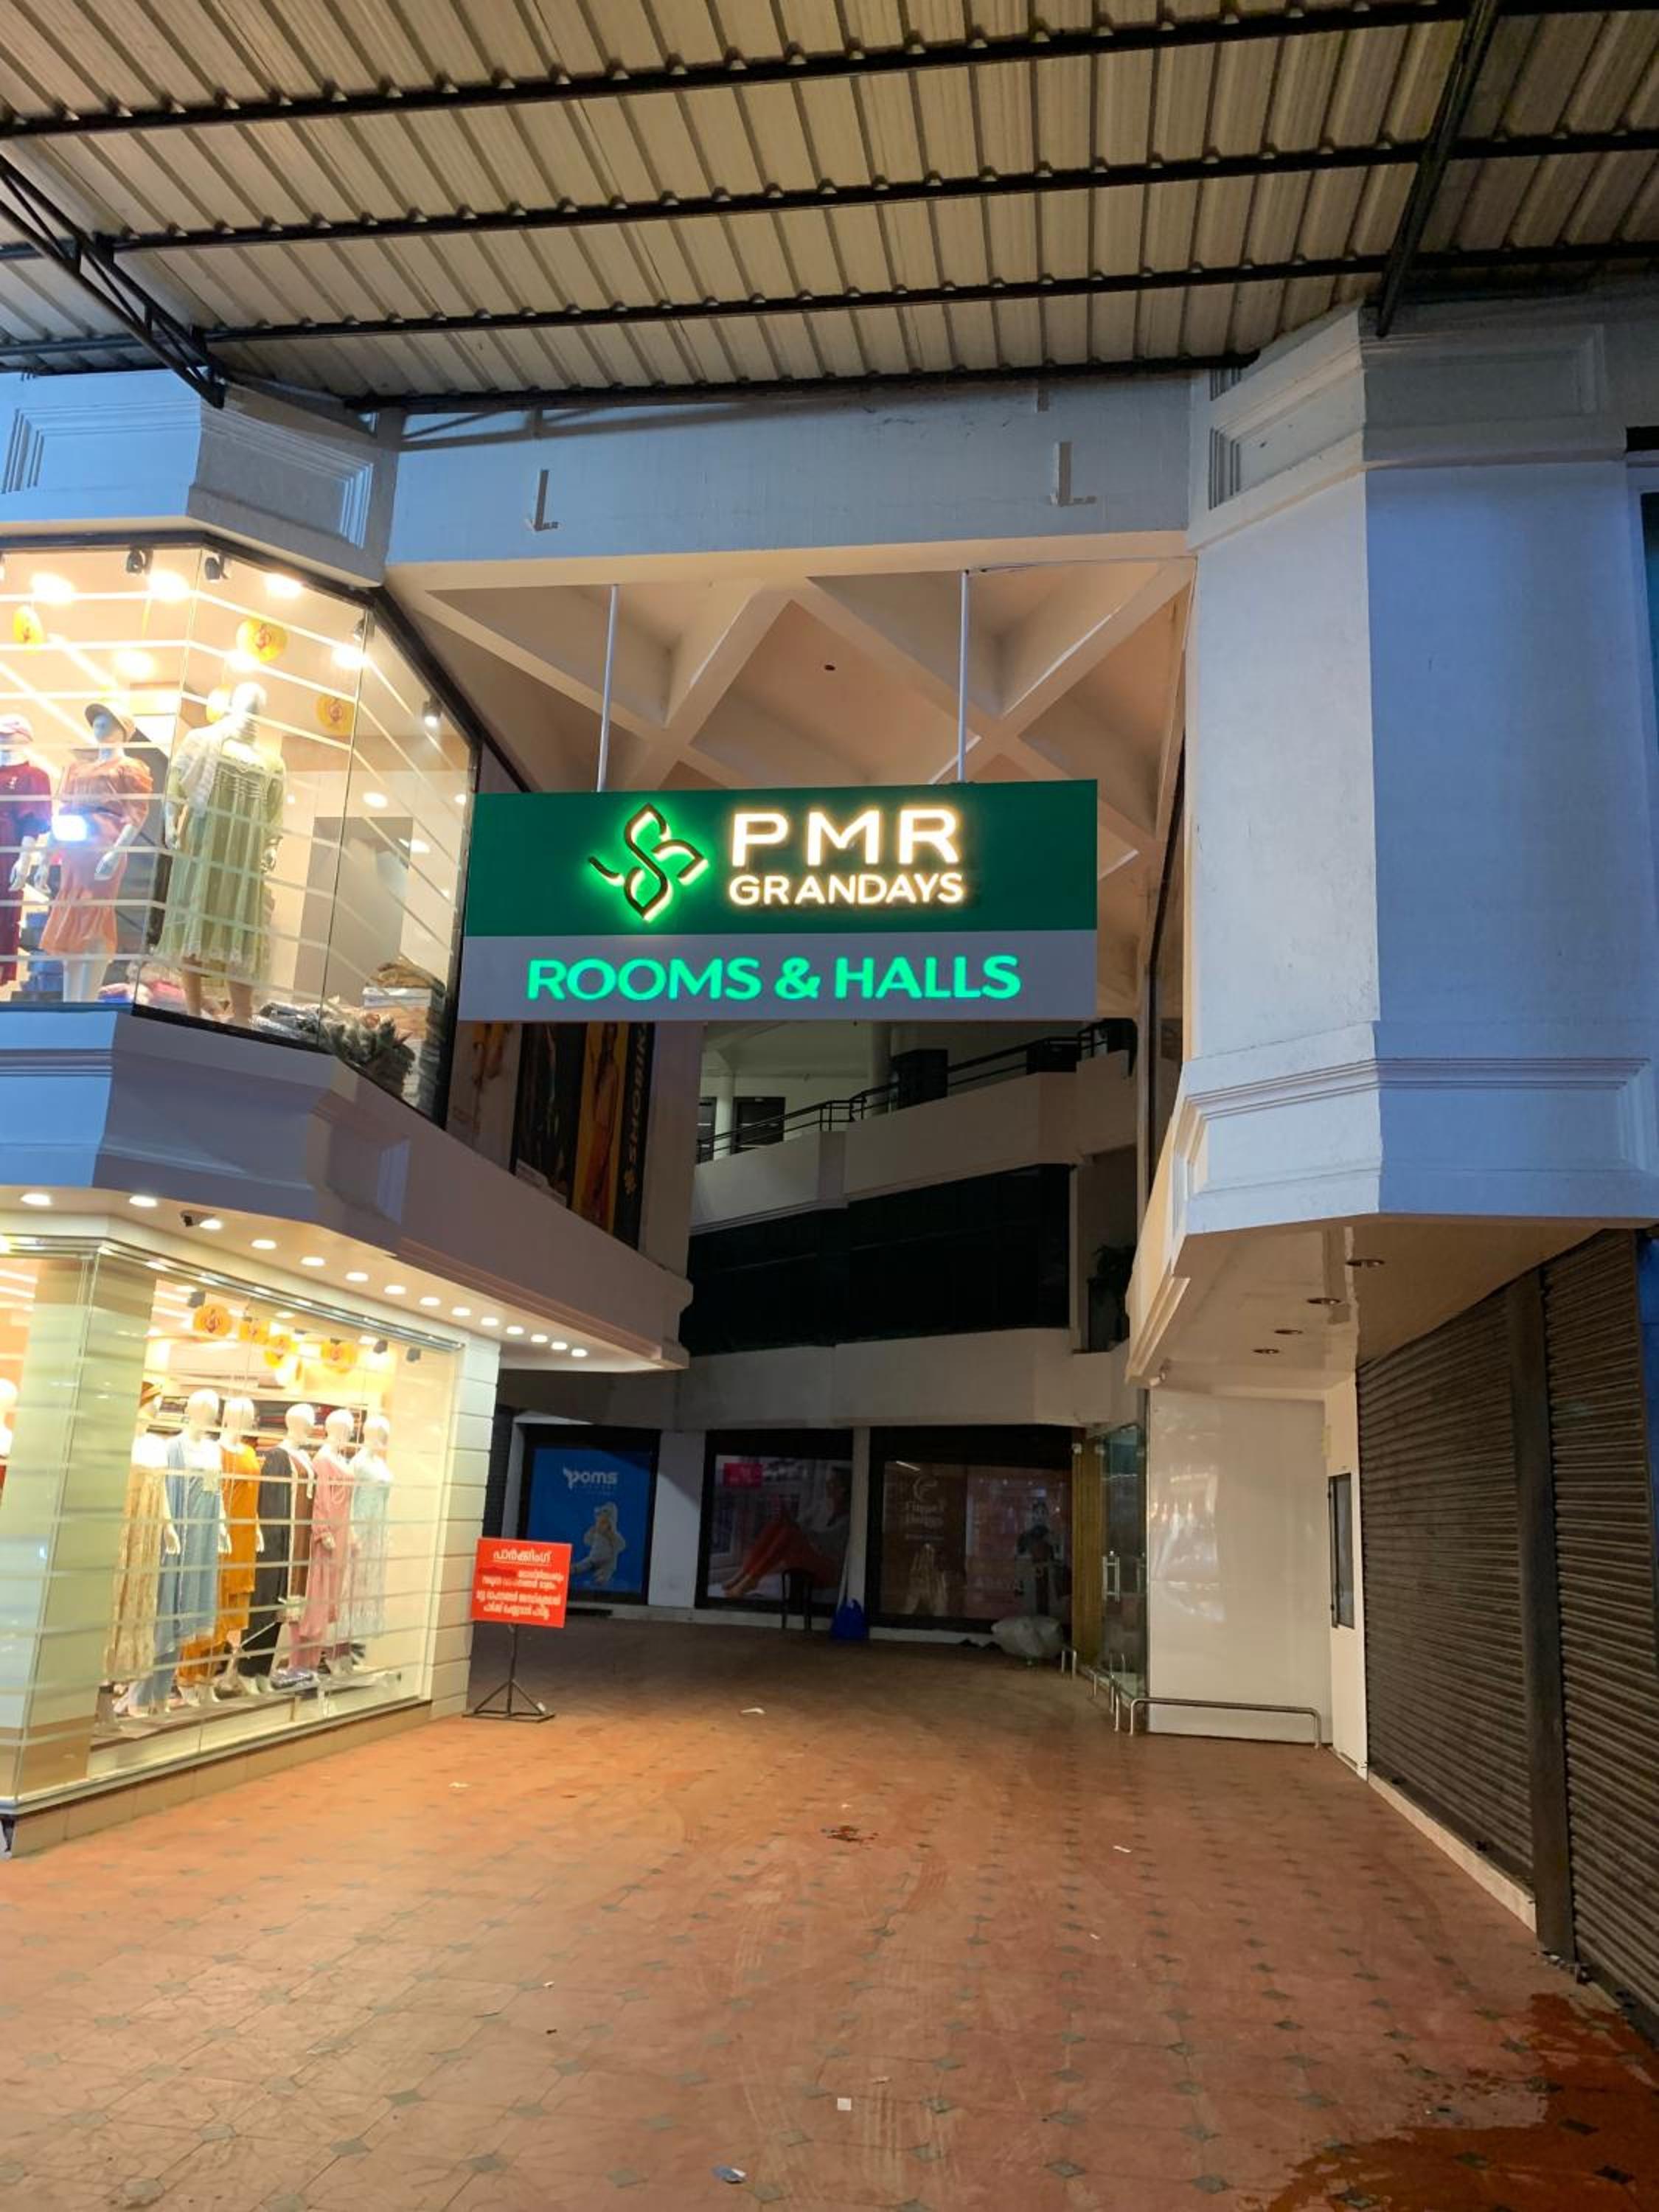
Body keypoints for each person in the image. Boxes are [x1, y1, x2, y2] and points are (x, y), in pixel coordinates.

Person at [722, 1467, 850, 1599]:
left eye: (832, 1482)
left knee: (791, 1534)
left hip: (828, 1573)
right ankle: (743, 1574)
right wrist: (788, 1519)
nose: (827, 1485)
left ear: (843, 1489)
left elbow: (824, 1540)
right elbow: (799, 1522)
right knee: (777, 1523)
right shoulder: (821, 1506)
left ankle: (751, 1579)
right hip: (809, 1558)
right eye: (828, 1481)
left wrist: (796, 1527)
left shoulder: (849, 1518)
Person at [574, 1500, 625, 1589]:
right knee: (584, 1564)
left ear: (610, 1524)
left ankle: (602, 1577)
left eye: (605, 1523)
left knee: (607, 1571)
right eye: (600, 1522)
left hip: (608, 1562)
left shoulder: (614, 1536)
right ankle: (575, 1569)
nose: (601, 1526)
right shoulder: (596, 1533)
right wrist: (592, 1532)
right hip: (593, 1559)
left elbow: (621, 1546)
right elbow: (587, 1541)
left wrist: (611, 1536)